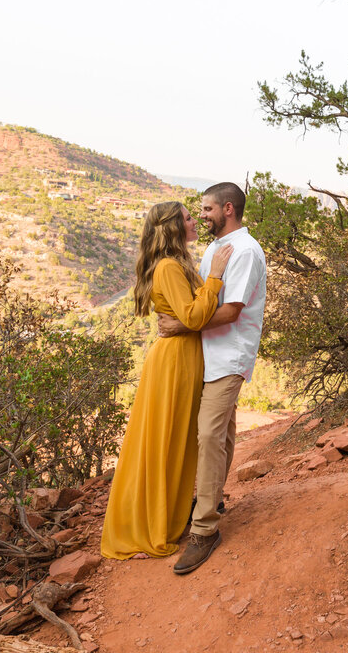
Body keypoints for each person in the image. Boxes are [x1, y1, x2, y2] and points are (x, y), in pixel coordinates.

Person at [100, 201, 233, 560]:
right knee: (168, 441)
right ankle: (153, 525)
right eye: (189, 218)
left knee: (175, 441)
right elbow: (192, 315)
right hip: (175, 362)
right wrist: (216, 277)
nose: (196, 221)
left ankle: (173, 512)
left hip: (183, 356)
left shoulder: (177, 263)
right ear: (174, 227)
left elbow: (186, 317)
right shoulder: (170, 266)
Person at [156, 182, 266, 575]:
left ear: (228, 209)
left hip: (229, 354)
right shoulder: (214, 249)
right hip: (208, 356)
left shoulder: (245, 251)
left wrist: (182, 327)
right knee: (222, 434)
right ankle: (212, 501)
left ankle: (204, 529)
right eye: (198, 211)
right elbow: (202, 301)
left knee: (207, 435)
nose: (201, 216)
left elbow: (231, 310)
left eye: (206, 209)